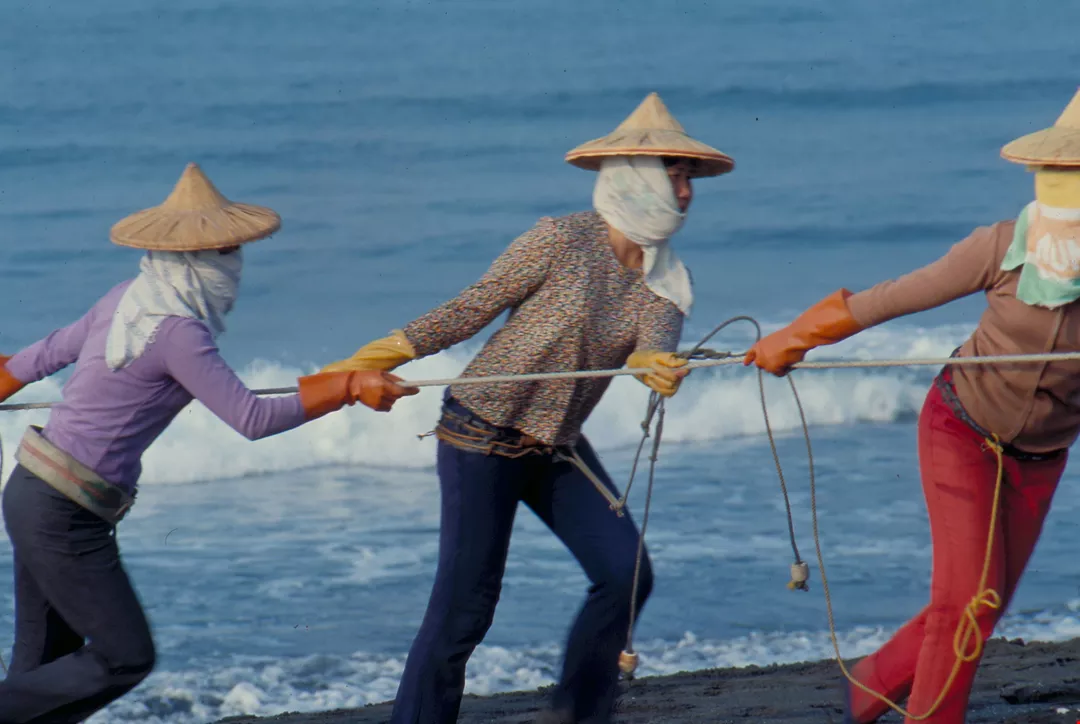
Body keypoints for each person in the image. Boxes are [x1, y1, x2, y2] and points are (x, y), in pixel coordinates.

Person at [320, 92, 734, 723]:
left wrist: (657, 365)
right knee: (465, 611)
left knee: (625, 574)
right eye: (674, 177)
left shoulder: (666, 278)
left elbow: (651, 346)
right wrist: (379, 355)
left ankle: (579, 713)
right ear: (633, 178)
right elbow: (472, 307)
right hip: (480, 435)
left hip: (556, 446)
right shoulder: (560, 239)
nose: (685, 194)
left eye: (688, 180)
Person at [0, 163, 416, 723]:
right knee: (125, 657)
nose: (235, 265)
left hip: (31, 491)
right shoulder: (179, 331)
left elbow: (32, 360)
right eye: (227, 252)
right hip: (65, 513)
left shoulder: (124, 298)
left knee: (42, 665)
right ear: (199, 260)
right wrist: (346, 388)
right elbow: (252, 418)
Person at [745, 88, 1080, 724]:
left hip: (1041, 457)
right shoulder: (999, 247)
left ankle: (868, 688)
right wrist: (792, 339)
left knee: (982, 602)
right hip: (962, 429)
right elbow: (890, 299)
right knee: (969, 602)